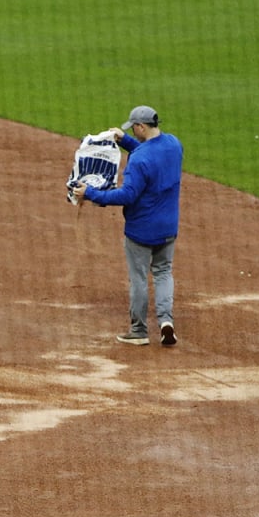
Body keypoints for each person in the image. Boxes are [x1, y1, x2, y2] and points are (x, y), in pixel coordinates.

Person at [71, 106, 182, 346]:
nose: (132, 129)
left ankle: (139, 331)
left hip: (141, 230)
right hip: (168, 227)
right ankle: (166, 322)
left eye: (133, 127)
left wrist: (91, 194)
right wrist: (126, 141)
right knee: (163, 272)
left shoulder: (139, 160)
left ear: (142, 126)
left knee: (139, 279)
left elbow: (127, 195)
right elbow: (152, 156)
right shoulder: (174, 145)